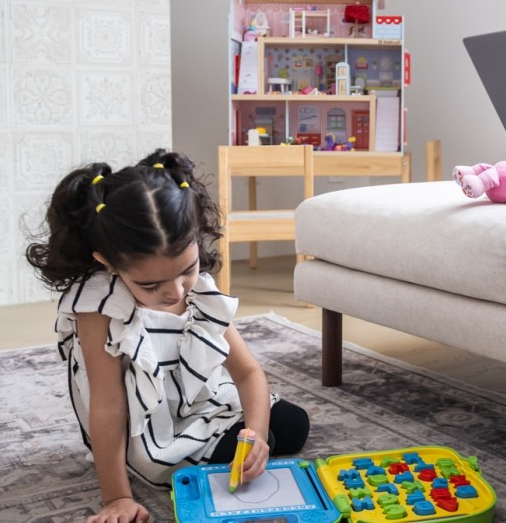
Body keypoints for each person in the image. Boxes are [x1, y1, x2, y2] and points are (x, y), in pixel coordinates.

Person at [26, 149, 310, 523]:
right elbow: (108, 404)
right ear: (108, 264)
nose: (176, 291)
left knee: (290, 424)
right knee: (239, 457)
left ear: (195, 240)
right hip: (146, 426)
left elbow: (246, 372)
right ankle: (197, 450)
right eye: (151, 284)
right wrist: (116, 498)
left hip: (196, 399)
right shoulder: (98, 307)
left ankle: (238, 435)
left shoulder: (198, 288)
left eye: (186, 271)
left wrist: (255, 433)